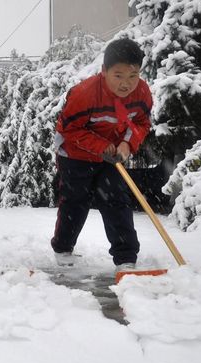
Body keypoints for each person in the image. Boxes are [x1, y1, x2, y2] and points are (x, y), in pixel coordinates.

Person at [51, 38, 152, 271]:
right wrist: (100, 145)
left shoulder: (142, 93)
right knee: (75, 201)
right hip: (74, 154)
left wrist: (127, 144)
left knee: (116, 199)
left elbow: (141, 123)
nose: (126, 84)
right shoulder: (84, 94)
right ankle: (63, 248)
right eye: (118, 75)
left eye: (133, 75)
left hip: (113, 155)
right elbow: (69, 129)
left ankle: (126, 258)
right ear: (104, 70)